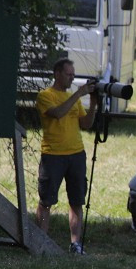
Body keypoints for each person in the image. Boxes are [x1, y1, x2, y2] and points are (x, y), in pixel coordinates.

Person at [35, 58, 98, 254]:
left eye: (73, 74)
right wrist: (79, 93)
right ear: (57, 74)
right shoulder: (45, 96)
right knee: (46, 201)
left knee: (77, 201)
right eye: (68, 74)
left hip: (76, 154)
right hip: (53, 155)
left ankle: (76, 244)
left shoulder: (74, 98)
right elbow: (58, 113)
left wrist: (94, 104)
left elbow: (86, 124)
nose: (72, 78)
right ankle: (41, 243)